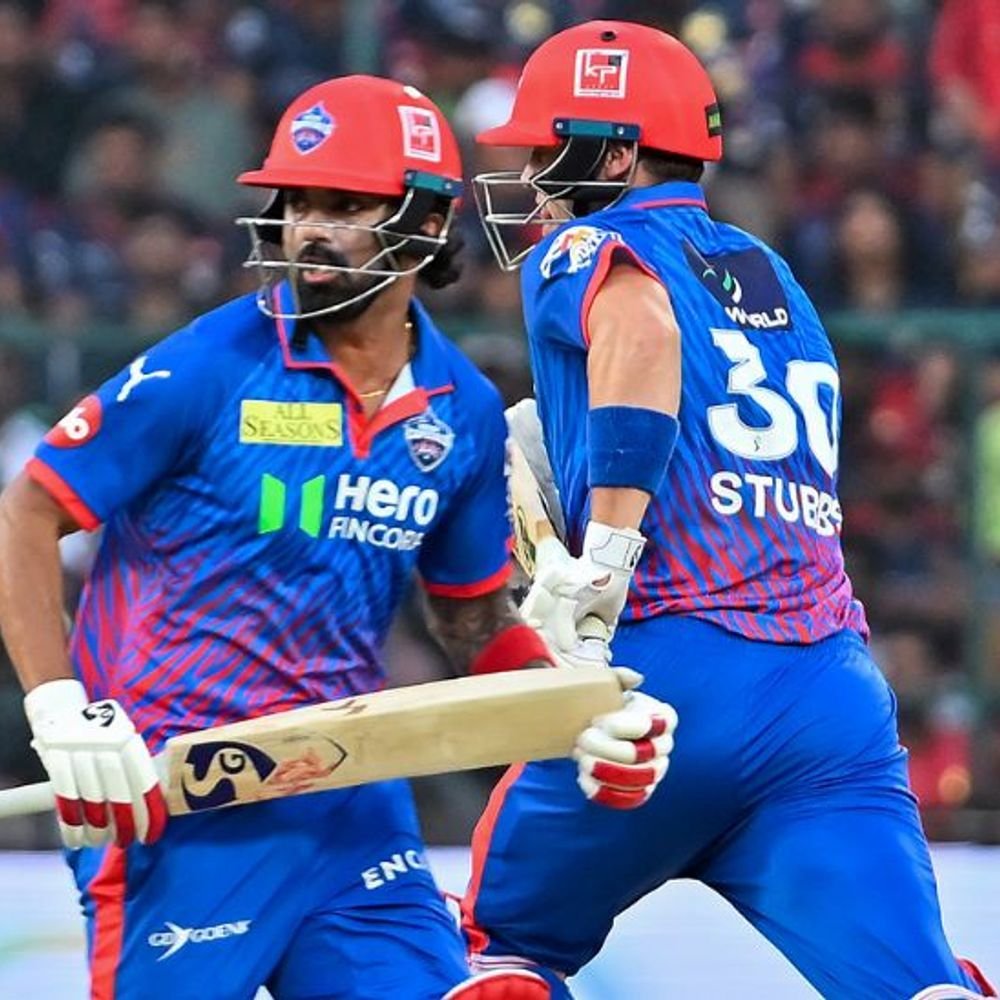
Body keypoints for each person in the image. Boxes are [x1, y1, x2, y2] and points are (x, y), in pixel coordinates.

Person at [0, 75, 674, 1000]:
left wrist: (575, 713)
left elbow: (473, 623)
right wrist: (58, 708)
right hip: (179, 795)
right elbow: (28, 511)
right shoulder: (210, 367)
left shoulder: (463, 412)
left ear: (428, 223)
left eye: (347, 206)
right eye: (298, 203)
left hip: (351, 803)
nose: (309, 230)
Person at [461, 21, 997, 1000]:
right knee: (921, 989)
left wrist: (603, 554)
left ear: (613, 156)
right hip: (828, 692)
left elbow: (642, 330)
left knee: (495, 954)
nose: (531, 177)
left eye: (546, 151)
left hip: (667, 677)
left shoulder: (588, 244)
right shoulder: (773, 270)